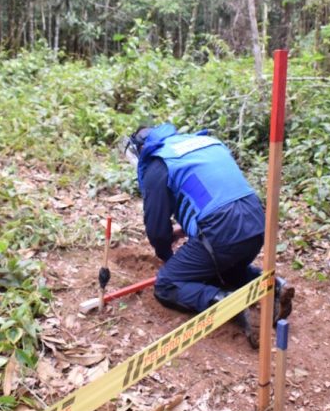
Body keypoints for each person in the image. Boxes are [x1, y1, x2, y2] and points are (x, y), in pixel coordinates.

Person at [124, 123, 294, 347]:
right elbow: (216, 193)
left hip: (220, 231)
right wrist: (185, 230)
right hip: (256, 222)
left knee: (167, 284)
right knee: (222, 269)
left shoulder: (158, 163)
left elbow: (156, 228)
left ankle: (231, 305)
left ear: (141, 148)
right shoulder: (203, 143)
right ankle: (274, 285)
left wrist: (167, 256)